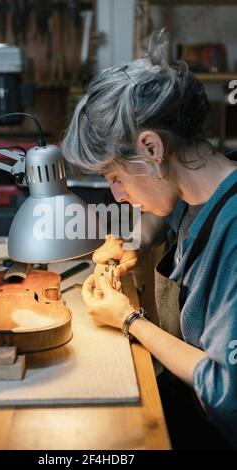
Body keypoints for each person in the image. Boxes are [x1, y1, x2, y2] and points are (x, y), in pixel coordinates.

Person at [62, 30, 237, 449]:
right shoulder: (198, 189)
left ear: (152, 147)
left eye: (115, 178)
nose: (118, 195)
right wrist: (133, 242)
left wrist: (128, 319)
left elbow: (226, 393)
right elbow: (165, 216)